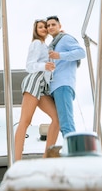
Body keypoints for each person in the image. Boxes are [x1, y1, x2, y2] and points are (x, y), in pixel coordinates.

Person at [14, 19, 60, 160]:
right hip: (34, 81)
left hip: (43, 86)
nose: (44, 29)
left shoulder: (46, 46)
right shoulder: (36, 43)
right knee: (25, 121)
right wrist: (44, 66)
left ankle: (47, 157)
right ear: (36, 30)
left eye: (45, 27)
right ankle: (16, 160)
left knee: (57, 118)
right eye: (40, 27)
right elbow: (29, 66)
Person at [46, 15, 86, 137]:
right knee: (59, 122)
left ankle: (73, 154)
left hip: (62, 85)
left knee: (66, 123)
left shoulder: (65, 39)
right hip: (54, 87)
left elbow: (81, 53)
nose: (50, 27)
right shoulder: (53, 44)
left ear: (60, 26)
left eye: (53, 24)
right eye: (48, 26)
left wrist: (60, 55)